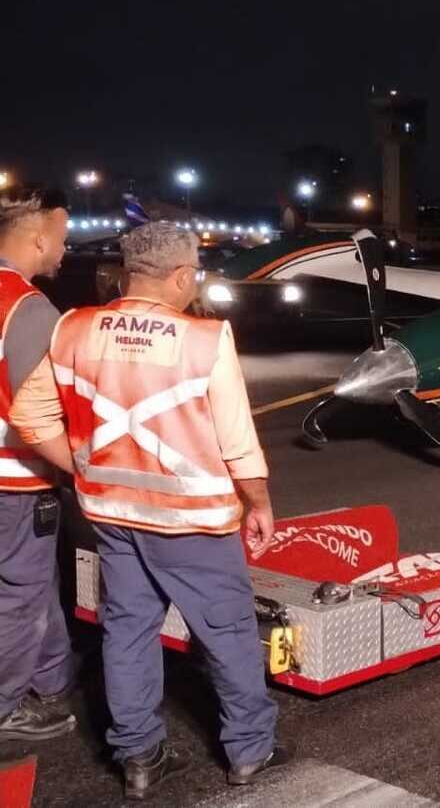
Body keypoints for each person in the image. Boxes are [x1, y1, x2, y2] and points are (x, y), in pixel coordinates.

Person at [11, 222, 290, 797]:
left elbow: (30, 417)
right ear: (183, 276)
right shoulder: (204, 338)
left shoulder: (72, 327)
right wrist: (258, 501)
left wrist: (81, 468)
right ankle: (250, 750)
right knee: (228, 633)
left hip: (111, 513)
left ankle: (138, 756)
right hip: (192, 520)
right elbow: (237, 441)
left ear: (127, 272)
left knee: (128, 629)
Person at [0, 187, 76, 743]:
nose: (66, 250)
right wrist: (79, 467)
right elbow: (39, 412)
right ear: (39, 238)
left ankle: (50, 677)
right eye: (63, 238)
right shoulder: (27, 307)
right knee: (20, 596)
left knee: (34, 584)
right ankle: (4, 709)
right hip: (15, 478)